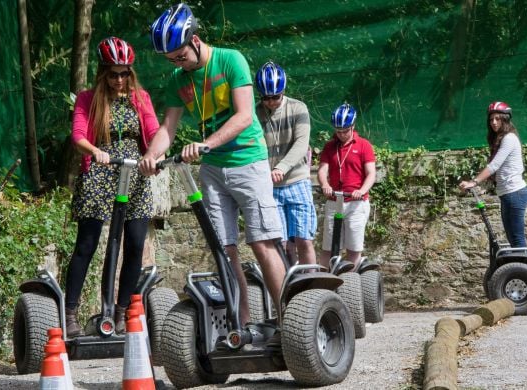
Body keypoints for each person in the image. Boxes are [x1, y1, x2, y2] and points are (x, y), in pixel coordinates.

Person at [139, 3, 285, 328]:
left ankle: (289, 319)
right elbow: (167, 129)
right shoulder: (178, 80)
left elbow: (245, 115)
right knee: (224, 249)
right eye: (171, 59)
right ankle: (242, 321)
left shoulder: (230, 60)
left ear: (195, 40)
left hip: (248, 161)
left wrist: (207, 144)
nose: (178, 63)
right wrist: (152, 154)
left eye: (180, 55)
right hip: (212, 171)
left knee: (262, 243)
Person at [65, 37, 160, 337]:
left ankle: (121, 312)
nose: (119, 80)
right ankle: (70, 313)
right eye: (113, 74)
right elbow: (78, 135)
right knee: (87, 245)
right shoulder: (88, 98)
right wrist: (95, 151)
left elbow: (154, 130)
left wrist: (153, 155)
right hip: (101, 171)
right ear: (102, 73)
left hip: (135, 175)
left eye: (124, 74)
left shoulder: (141, 98)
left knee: (134, 243)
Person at [254, 61, 317, 266]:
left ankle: (311, 281)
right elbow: (254, 145)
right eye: (266, 98)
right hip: (270, 186)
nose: (271, 102)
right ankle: (287, 282)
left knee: (304, 240)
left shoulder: (298, 108)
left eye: (275, 97)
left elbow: (302, 143)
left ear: (283, 92)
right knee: (279, 242)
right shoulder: (255, 113)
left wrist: (282, 167)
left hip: (297, 181)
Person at [459, 101, 527, 247]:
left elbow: (494, 166)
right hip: (507, 193)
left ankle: (524, 269)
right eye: (491, 119)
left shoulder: (509, 138)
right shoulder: (500, 140)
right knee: (512, 239)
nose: (494, 122)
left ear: (505, 119)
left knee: (517, 239)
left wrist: (474, 182)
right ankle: (517, 269)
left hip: (515, 193)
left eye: (498, 119)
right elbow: (498, 171)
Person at [317, 103, 376, 270]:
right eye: (338, 131)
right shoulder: (330, 146)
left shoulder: (364, 145)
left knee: (353, 248)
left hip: (356, 202)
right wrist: (325, 184)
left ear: (353, 126)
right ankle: (324, 279)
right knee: (328, 247)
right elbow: (322, 170)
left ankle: (351, 282)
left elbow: (371, 173)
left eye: (345, 130)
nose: (341, 134)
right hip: (335, 201)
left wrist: (362, 191)